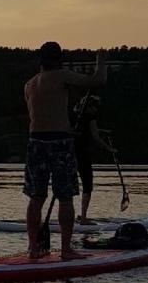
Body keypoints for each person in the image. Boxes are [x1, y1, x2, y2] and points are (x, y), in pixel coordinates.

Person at [24, 42, 107, 259]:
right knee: (65, 197)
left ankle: (33, 248)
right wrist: (101, 61)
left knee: (36, 196)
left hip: (35, 142)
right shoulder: (62, 76)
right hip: (60, 141)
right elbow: (97, 81)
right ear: (58, 59)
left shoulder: (29, 84)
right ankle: (67, 250)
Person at [73, 92, 113, 224]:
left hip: (72, 153)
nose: (97, 109)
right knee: (87, 186)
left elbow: (89, 130)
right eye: (95, 106)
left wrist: (102, 131)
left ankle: (76, 215)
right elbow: (95, 137)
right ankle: (83, 218)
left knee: (72, 186)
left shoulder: (77, 116)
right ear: (90, 107)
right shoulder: (90, 117)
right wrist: (109, 149)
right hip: (83, 154)